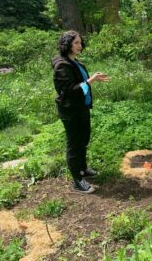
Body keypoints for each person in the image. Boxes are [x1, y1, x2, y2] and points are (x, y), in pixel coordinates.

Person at [52, 30, 109, 194]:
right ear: (67, 44)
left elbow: (81, 84)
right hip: (71, 111)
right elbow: (70, 91)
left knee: (84, 138)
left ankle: (83, 169)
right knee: (75, 144)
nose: (80, 45)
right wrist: (92, 80)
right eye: (76, 43)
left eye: (80, 42)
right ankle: (77, 180)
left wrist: (91, 79)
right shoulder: (62, 65)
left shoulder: (74, 62)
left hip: (81, 108)